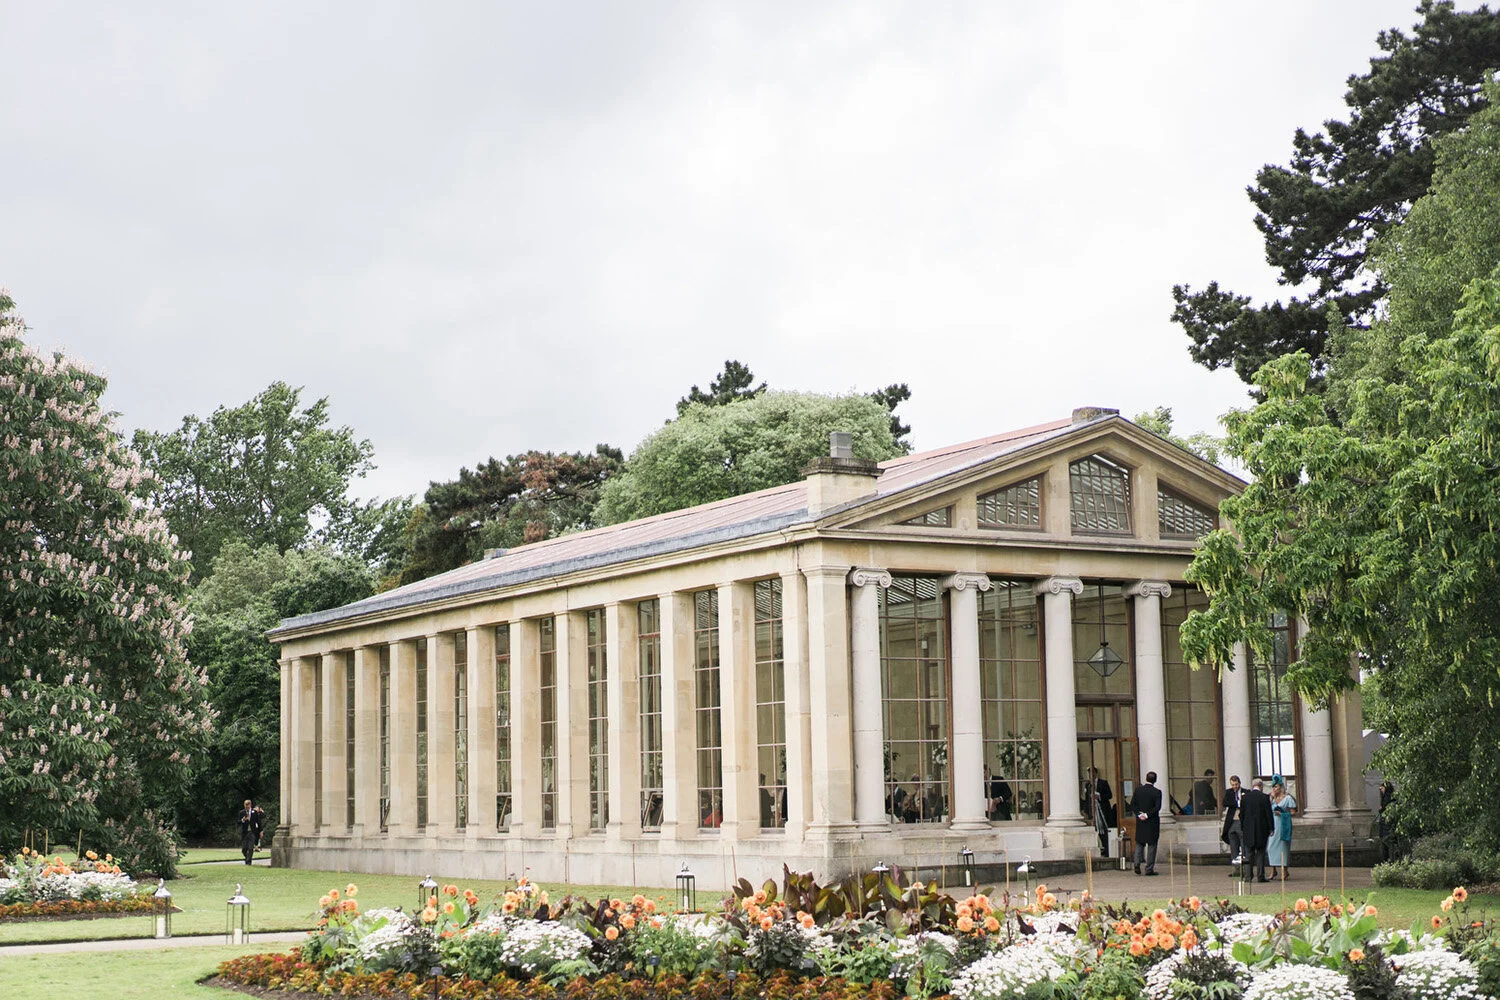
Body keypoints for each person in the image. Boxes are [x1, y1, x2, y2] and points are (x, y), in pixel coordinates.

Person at [1239, 778, 1275, 883]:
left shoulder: (1245, 798)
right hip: (1262, 829)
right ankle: (1260, 876)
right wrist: (1271, 828)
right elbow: (1269, 814)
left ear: (1252, 785)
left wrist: (1243, 827)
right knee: (1260, 853)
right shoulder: (1264, 797)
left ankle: (1248, 876)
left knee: (1249, 853)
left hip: (1248, 829)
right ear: (1261, 786)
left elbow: (1242, 814)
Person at [1129, 771, 1163, 875]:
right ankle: (1149, 869)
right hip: (1152, 821)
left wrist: (1139, 815)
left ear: (1146, 778)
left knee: (1140, 843)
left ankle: (1136, 863)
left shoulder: (1138, 790)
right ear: (1155, 780)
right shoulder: (1157, 792)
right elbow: (1157, 807)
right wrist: (1147, 815)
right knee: (1152, 845)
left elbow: (1132, 804)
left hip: (1141, 821)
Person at [1268, 778, 1298, 879]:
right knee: (1270, 847)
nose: (1274, 789)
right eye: (1273, 787)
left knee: (1283, 848)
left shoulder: (1287, 798)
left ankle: (1284, 871)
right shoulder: (1271, 799)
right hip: (1273, 826)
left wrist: (1282, 814)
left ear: (1281, 787)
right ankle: (1273, 870)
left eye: (1276, 787)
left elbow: (1293, 812)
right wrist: (1271, 798)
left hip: (1283, 825)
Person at [1221, 774, 1244, 866]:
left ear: (1239, 783)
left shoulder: (1245, 791)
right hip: (1231, 821)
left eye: (1236, 784)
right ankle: (1236, 870)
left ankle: (1245, 869)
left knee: (1243, 845)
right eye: (1233, 785)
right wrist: (1237, 803)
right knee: (1234, 847)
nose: (1235, 787)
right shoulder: (1229, 792)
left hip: (1241, 821)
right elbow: (1225, 803)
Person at [237, 799, 262, 866]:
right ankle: (247, 857)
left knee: (251, 848)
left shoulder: (254, 812)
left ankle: (248, 862)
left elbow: (259, 822)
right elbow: (238, 822)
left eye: (248, 805)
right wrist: (243, 819)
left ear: (250, 805)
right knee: (244, 849)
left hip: (252, 832)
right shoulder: (242, 812)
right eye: (245, 805)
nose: (247, 807)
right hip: (245, 832)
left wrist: (261, 831)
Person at [1378, 780, 1397, 861]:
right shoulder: (1385, 798)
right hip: (1384, 826)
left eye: (1382, 788)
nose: (1381, 790)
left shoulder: (1388, 798)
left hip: (1387, 826)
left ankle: (1391, 861)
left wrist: (1381, 809)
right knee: (1384, 846)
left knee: (1388, 844)